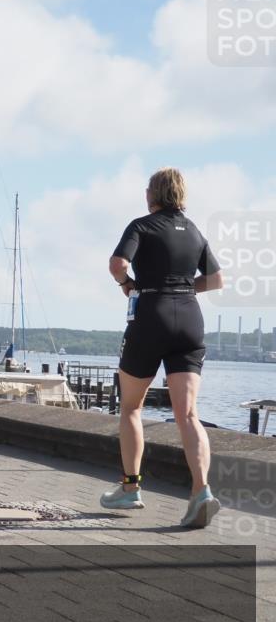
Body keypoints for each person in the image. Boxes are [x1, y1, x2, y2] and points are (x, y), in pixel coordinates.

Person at [102, 167, 224, 528]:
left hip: (152, 314)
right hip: (189, 318)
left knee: (131, 407)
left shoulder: (142, 225)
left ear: (151, 194)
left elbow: (117, 264)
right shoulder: (195, 231)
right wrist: (183, 289)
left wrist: (128, 283)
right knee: (188, 414)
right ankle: (201, 490)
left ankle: (130, 489)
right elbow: (217, 279)